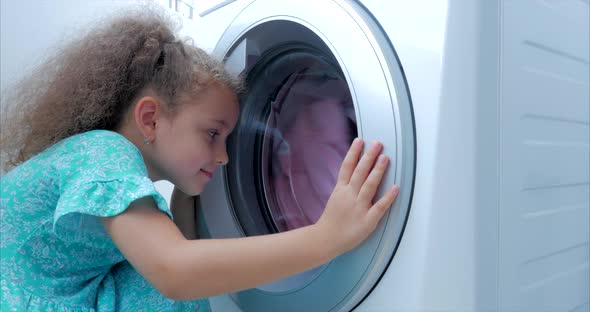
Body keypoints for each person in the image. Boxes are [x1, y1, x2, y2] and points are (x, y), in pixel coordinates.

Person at [0, 7, 400, 312]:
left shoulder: (107, 164)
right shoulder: (104, 152)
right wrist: (325, 238)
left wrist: (186, 208)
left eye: (228, 140)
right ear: (151, 118)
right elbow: (175, 271)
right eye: (212, 134)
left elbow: (176, 260)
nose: (225, 156)